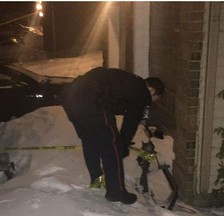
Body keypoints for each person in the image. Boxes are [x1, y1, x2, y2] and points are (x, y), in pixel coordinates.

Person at [61, 67, 164, 205]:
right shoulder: (142, 92)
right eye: (154, 99)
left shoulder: (127, 81)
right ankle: (116, 191)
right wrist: (122, 144)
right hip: (93, 99)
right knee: (112, 146)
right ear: (151, 90)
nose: (149, 103)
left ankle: (97, 178)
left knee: (90, 140)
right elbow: (131, 121)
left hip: (71, 99)